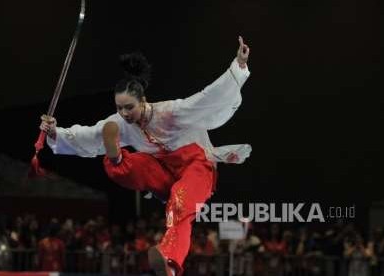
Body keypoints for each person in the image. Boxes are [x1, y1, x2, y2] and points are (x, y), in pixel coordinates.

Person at [40, 36, 251, 276]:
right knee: (132, 161)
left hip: (197, 167)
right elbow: (89, 135)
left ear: (143, 100)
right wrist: (56, 132)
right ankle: (117, 159)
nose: (124, 113)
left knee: (180, 200)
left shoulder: (172, 112)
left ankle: (169, 262)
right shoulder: (120, 123)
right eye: (119, 107)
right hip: (162, 173)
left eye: (129, 107)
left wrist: (239, 66)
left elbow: (209, 98)